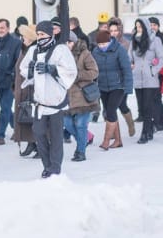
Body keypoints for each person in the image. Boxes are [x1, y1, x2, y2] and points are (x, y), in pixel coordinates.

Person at [19, 21, 77, 178]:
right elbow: (23, 68)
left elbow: (71, 71)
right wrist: (30, 70)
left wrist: (53, 69)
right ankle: (47, 165)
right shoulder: (33, 50)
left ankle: (55, 167)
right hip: (40, 103)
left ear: (50, 34)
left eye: (43, 34)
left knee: (57, 136)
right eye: (38, 34)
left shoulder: (61, 50)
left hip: (56, 102)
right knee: (38, 133)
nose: (40, 37)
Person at [92, 29, 132, 149]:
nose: (102, 46)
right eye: (99, 44)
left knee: (110, 111)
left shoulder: (119, 49)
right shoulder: (95, 52)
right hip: (103, 86)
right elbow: (94, 69)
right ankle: (118, 141)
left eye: (104, 44)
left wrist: (128, 87)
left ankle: (106, 141)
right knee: (110, 112)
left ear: (109, 42)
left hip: (118, 86)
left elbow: (126, 69)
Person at [63, 32, 100, 161]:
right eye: (65, 42)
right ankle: (86, 138)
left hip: (83, 96)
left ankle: (80, 152)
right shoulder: (61, 56)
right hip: (67, 96)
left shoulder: (84, 54)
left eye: (69, 42)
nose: (67, 45)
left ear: (74, 42)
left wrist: (77, 75)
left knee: (80, 125)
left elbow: (94, 72)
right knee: (67, 124)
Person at [129, 18, 163, 144]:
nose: (138, 29)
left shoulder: (155, 40)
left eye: (140, 26)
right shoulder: (133, 41)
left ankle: (145, 133)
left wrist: (153, 71)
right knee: (142, 108)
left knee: (147, 106)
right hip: (138, 78)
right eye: (136, 26)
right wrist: (131, 65)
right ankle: (149, 130)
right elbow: (129, 57)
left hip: (150, 79)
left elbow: (161, 58)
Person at [0, 19, 22, 145]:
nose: (0, 30)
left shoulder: (15, 43)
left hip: (9, 81)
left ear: (8, 28)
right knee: (5, 108)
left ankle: (0, 135)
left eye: (2, 27)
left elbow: (17, 63)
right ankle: (17, 129)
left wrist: (14, 79)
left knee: (5, 107)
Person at [13, 24, 38, 157]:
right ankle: (31, 143)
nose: (22, 39)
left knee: (32, 118)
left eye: (25, 36)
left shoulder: (34, 50)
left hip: (30, 89)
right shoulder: (24, 50)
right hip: (21, 90)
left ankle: (39, 145)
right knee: (25, 118)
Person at [108, 17, 136, 137]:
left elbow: (130, 59)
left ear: (120, 30)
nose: (113, 33)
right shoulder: (105, 42)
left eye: (116, 30)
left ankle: (130, 124)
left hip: (121, 79)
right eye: (111, 31)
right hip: (108, 79)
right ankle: (113, 131)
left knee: (121, 104)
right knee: (109, 107)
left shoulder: (125, 43)